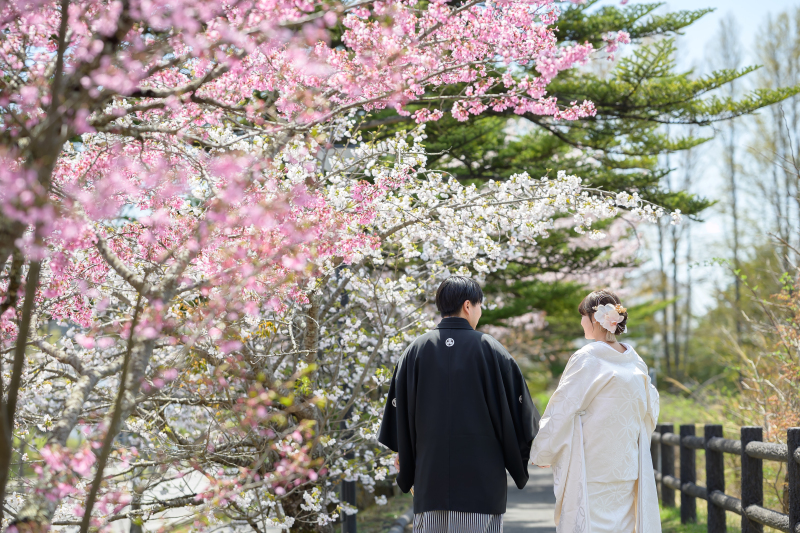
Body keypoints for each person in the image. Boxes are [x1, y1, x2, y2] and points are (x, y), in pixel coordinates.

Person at [378, 276, 540, 533]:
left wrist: (405, 454)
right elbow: (519, 408)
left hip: (430, 481)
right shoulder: (491, 349)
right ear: (467, 305)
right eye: (479, 305)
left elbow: (399, 416)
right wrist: (536, 449)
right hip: (481, 483)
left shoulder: (415, 350)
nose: (480, 311)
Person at [530, 289, 661, 533]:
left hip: (592, 466)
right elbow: (650, 411)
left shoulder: (588, 358)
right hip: (626, 465)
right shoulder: (635, 362)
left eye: (583, 316)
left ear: (595, 319)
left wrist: (543, 451)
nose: (581, 322)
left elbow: (564, 407)